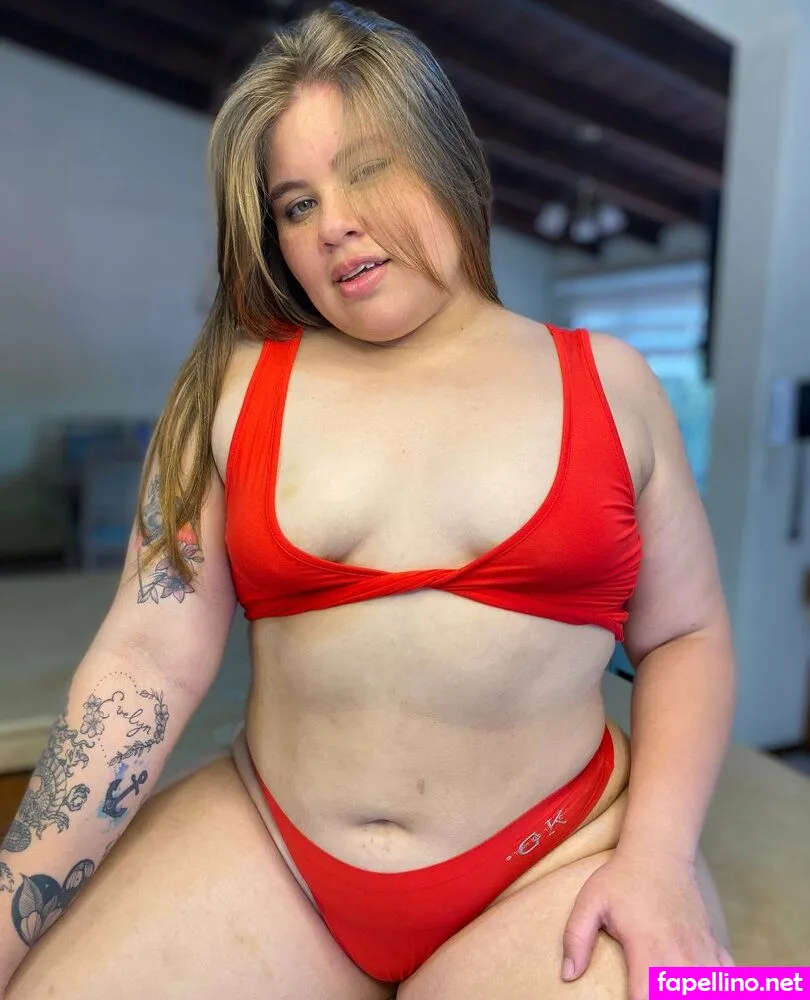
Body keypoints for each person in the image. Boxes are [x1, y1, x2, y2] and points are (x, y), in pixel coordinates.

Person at [0, 3, 737, 998]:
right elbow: (145, 658)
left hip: (559, 859)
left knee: (742, 995)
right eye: (296, 203)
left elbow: (687, 634)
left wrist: (658, 856)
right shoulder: (226, 389)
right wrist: (6, 909)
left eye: (369, 169)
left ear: (449, 161)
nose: (333, 222)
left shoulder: (613, 384)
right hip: (277, 856)